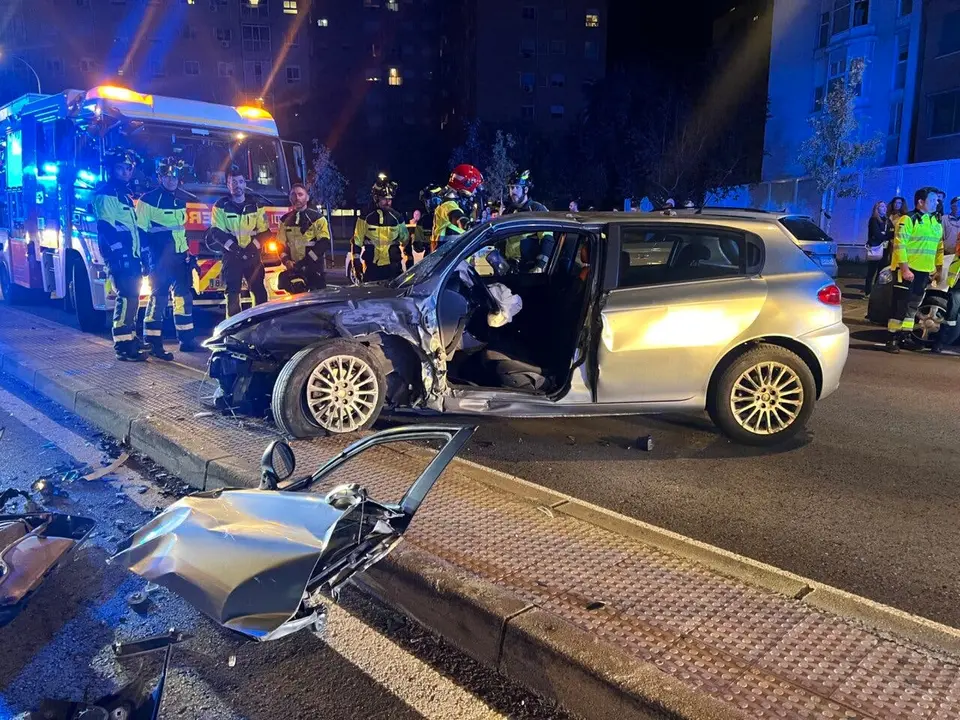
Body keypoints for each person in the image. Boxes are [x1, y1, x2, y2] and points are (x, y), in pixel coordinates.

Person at [135, 157, 199, 360]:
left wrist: (189, 254)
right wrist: (147, 261)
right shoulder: (147, 200)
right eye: (167, 176)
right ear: (160, 177)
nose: (171, 180)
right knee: (158, 301)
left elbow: (182, 231)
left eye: (174, 177)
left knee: (183, 299)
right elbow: (141, 233)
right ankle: (153, 343)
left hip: (180, 258)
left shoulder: (182, 200)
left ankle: (186, 339)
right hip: (159, 260)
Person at [94, 149, 146, 362]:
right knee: (126, 297)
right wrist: (120, 254)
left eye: (129, 169)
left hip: (129, 255)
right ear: (110, 170)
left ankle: (130, 338)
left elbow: (131, 229)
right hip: (120, 257)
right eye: (120, 168)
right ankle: (123, 345)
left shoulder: (124, 194)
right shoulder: (107, 193)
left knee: (132, 297)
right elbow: (105, 226)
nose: (126, 173)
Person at [885, 187, 945, 353]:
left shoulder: (936, 222)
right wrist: (904, 269)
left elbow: (939, 248)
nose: (936, 203)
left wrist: (938, 269)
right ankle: (892, 338)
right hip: (907, 269)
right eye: (932, 200)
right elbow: (899, 245)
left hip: (924, 271)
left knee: (913, 306)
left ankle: (906, 336)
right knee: (900, 304)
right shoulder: (908, 219)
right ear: (921, 202)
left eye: (937, 200)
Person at [207, 167, 270, 318]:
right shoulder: (220, 206)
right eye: (233, 182)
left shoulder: (257, 205)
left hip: (253, 256)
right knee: (232, 294)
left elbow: (265, 232)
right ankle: (234, 332)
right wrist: (236, 250)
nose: (237, 185)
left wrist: (249, 250)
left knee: (259, 291)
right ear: (227, 185)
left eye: (240, 182)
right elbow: (217, 232)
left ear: (245, 184)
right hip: (231, 257)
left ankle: (260, 327)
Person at [351, 175, 408, 283]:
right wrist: (356, 262)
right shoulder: (365, 217)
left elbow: (405, 240)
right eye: (384, 199)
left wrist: (409, 260)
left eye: (390, 199)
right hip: (372, 269)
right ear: (376, 198)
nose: (387, 202)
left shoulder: (397, 217)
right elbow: (357, 241)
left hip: (393, 268)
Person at [277, 183, 329, 294]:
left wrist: (305, 262)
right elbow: (280, 245)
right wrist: (286, 261)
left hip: (314, 270)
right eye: (294, 194)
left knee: (317, 304)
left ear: (307, 197)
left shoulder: (318, 218)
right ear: (290, 197)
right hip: (294, 271)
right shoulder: (284, 220)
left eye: (300, 194)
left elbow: (324, 243)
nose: (297, 198)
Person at [501, 169, 553, 273]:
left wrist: (540, 266)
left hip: (528, 268)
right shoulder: (508, 211)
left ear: (525, 190)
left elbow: (547, 238)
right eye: (511, 188)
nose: (513, 192)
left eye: (516, 188)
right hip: (508, 267)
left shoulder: (537, 209)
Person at [431, 164, 483, 251]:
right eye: (474, 187)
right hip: (445, 260)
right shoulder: (447, 204)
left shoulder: (460, 205)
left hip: (455, 260)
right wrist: (468, 224)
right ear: (466, 184)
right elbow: (456, 216)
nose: (475, 191)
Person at [864, 200, 893, 298]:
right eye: (881, 207)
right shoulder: (874, 220)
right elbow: (877, 235)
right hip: (876, 248)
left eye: (885, 207)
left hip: (885, 249)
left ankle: (876, 292)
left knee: (881, 271)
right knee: (871, 271)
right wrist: (885, 235)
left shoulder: (887, 220)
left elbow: (892, 232)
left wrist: (886, 234)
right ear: (877, 209)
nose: (884, 208)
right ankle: (868, 292)